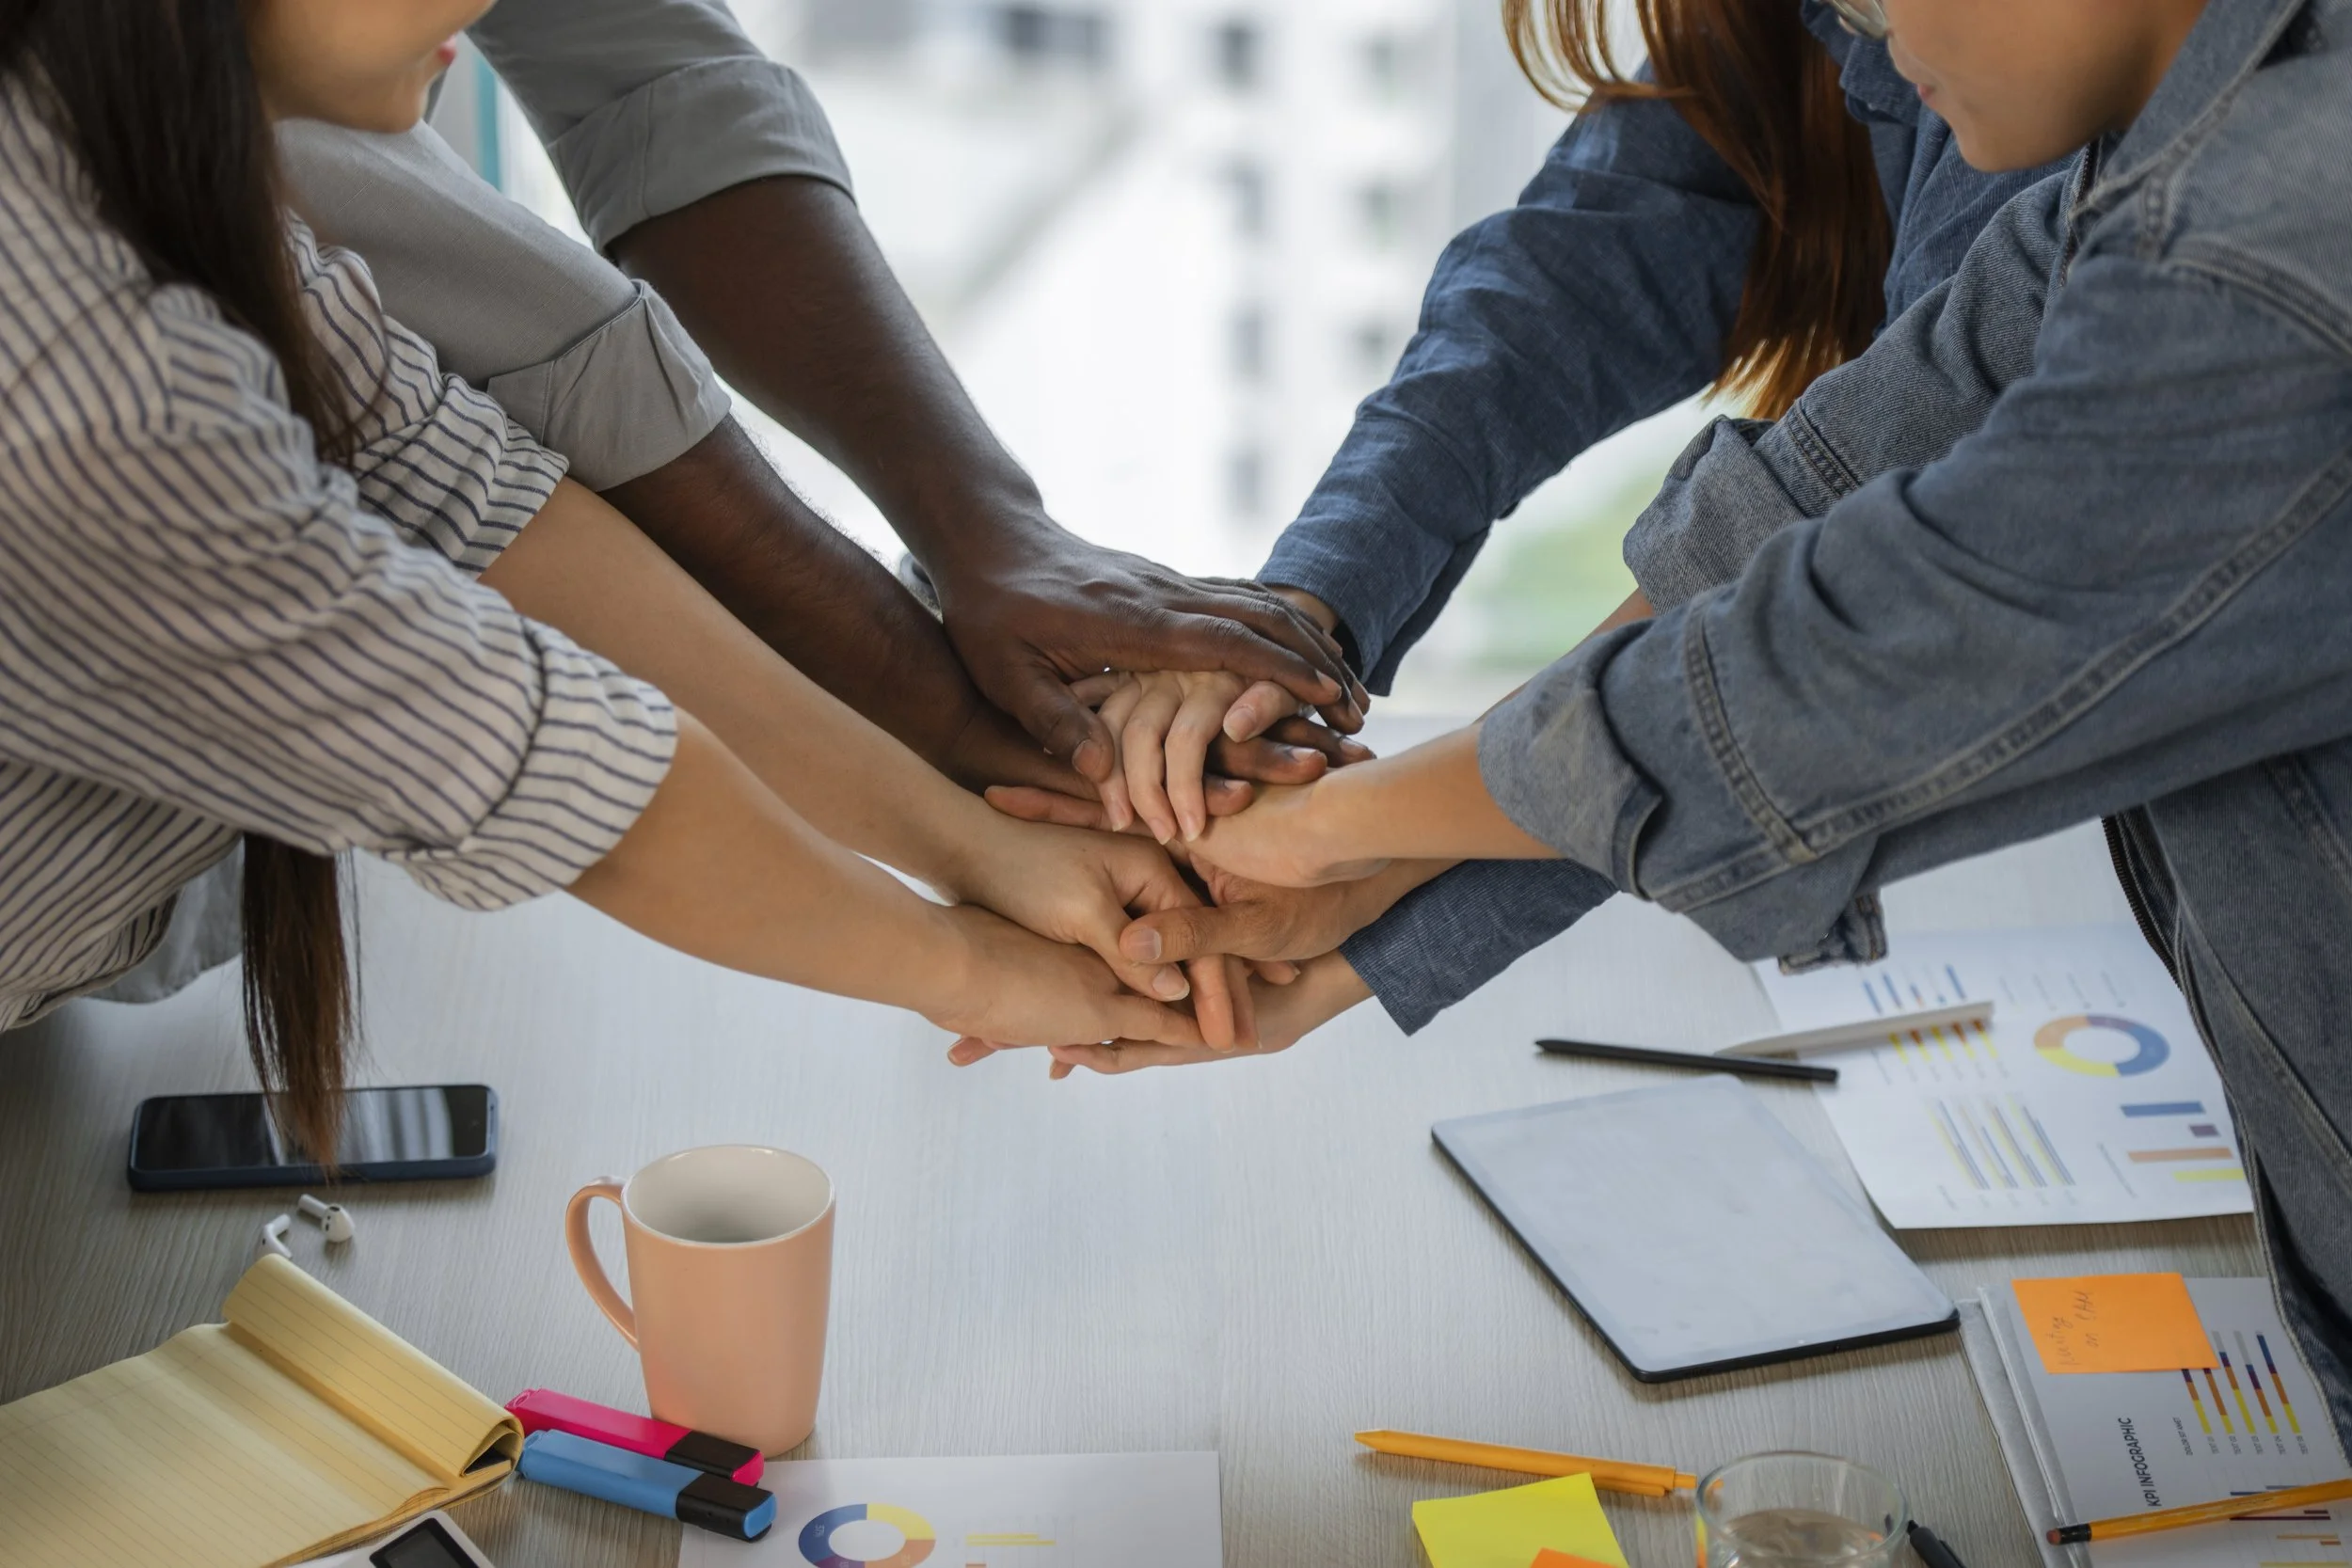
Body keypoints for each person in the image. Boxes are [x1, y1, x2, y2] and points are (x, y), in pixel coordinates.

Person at [1117, 0, 2352, 1437]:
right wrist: (1339, 848)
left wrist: (1330, 833)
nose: (1868, 43)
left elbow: (1833, 670)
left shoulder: (2266, 255)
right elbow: (1827, 484)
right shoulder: (2164, 162)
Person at [0, 0, 1237, 1158]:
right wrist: (981, 969)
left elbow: (506, 531)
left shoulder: (155, 177)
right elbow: (553, 767)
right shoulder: (90, 384)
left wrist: (983, 850)